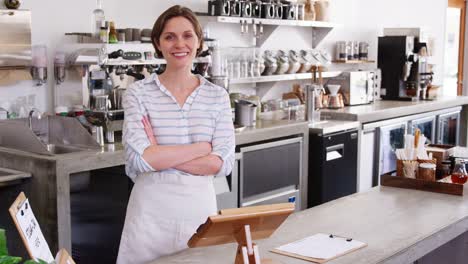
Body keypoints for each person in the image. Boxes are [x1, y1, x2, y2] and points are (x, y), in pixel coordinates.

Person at [116, 5, 235, 264]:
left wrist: (159, 152)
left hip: (198, 213)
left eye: (187, 35)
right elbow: (139, 160)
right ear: (158, 43)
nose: (179, 44)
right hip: (149, 217)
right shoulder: (138, 93)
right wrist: (201, 148)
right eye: (169, 36)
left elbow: (222, 164)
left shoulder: (217, 97)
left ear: (199, 42)